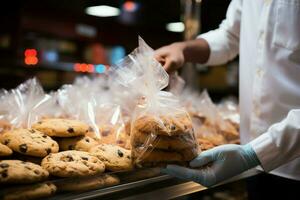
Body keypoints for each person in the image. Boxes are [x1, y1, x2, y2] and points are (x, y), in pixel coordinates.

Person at [155, 0, 300, 199]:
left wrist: (253, 154)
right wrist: (182, 49)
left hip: (295, 165)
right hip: (256, 164)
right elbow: (231, 35)